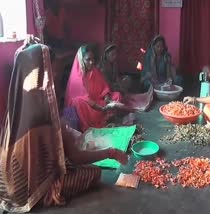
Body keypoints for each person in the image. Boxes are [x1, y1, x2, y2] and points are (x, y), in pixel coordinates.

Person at [0, 39, 128, 213]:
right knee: (92, 173)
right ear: (43, 71)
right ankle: (43, 192)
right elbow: (76, 157)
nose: (57, 72)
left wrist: (66, 132)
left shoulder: (15, 108)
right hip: (27, 190)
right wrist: (110, 153)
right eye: (53, 67)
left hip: (5, 184)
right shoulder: (46, 115)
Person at [65, 45, 125, 132]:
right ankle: (99, 121)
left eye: (92, 59)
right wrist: (101, 108)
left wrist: (107, 97)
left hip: (98, 101)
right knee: (78, 102)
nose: (91, 62)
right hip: (88, 106)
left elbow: (104, 87)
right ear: (81, 60)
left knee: (117, 95)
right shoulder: (77, 76)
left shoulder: (94, 71)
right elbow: (85, 99)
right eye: (88, 59)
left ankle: (106, 117)